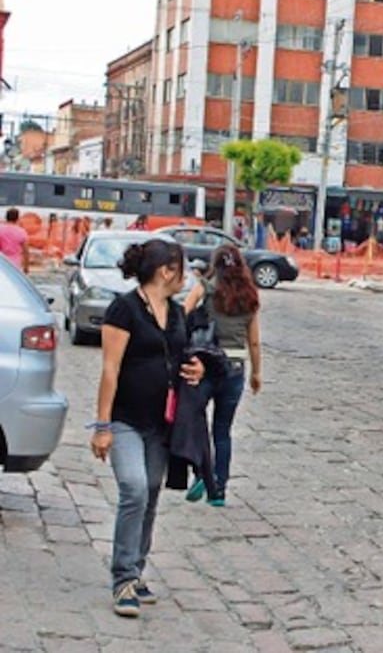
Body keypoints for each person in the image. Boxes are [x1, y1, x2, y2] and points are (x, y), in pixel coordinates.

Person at [90, 239, 204, 617]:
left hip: (162, 422)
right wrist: (102, 425)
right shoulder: (124, 309)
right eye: (181, 269)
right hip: (124, 419)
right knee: (134, 488)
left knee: (152, 491)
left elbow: (184, 354)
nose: (184, 277)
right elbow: (110, 369)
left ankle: (136, 570)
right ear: (166, 270)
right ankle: (122, 577)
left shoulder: (175, 313)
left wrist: (198, 368)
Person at [183, 243, 262, 507]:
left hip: (206, 364)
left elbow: (184, 311)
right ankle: (219, 488)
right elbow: (254, 342)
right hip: (235, 368)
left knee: (196, 421)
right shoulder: (250, 296)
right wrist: (257, 373)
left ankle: (200, 474)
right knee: (222, 430)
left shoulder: (206, 287)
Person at [0, 207, 29, 274]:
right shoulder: (21, 232)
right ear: (17, 218)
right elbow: (26, 251)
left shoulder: (0, 229)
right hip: (14, 265)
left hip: (2, 262)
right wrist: (26, 267)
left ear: (6, 217)